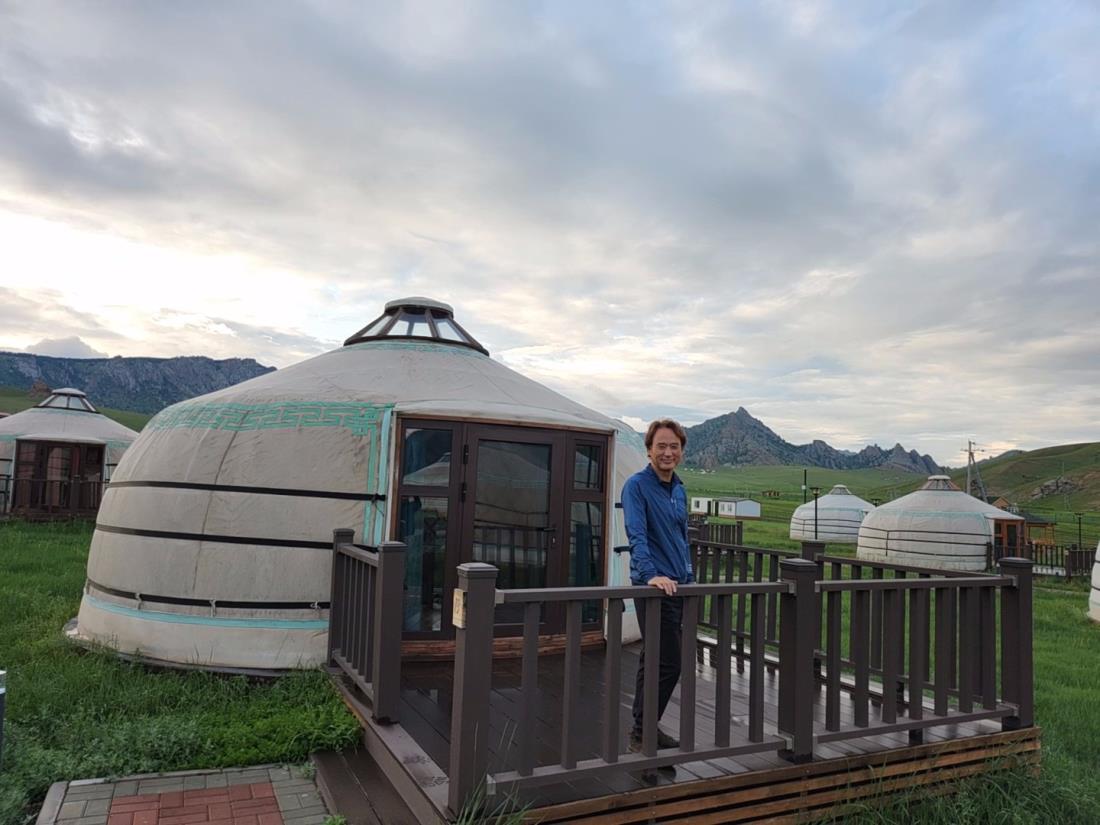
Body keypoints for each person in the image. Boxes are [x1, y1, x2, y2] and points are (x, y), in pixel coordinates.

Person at [622, 418, 693, 752]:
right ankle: (642, 730)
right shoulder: (636, 486)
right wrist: (650, 574)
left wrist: (689, 577)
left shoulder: (679, 489)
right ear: (648, 450)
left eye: (673, 446)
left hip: (677, 586)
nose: (667, 452)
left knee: (653, 658)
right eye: (661, 446)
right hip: (653, 587)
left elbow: (681, 538)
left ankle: (644, 729)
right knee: (670, 663)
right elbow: (636, 533)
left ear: (681, 451)